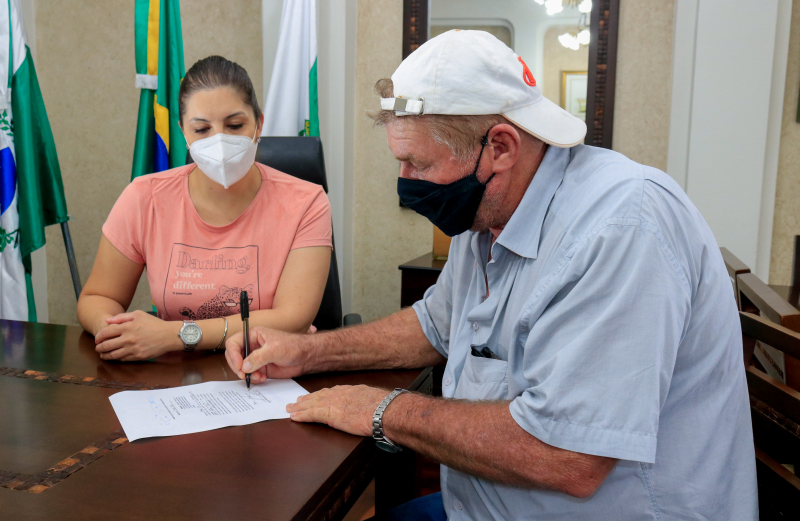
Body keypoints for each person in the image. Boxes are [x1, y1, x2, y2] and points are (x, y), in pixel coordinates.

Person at [226, 31, 757, 520]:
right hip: (482, 505)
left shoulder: (622, 225)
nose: (406, 183)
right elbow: (437, 325)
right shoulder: (487, 213)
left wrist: (381, 409)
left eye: (419, 165)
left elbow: (568, 455)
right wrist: (311, 351)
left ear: (500, 147)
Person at [77, 55, 332, 361]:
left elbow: (293, 319)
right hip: (175, 375)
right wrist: (119, 332)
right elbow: (98, 297)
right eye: (201, 129)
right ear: (183, 130)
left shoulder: (306, 202)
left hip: (266, 369)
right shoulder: (145, 197)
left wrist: (175, 335)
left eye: (235, 125)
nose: (219, 141)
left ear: (259, 124)